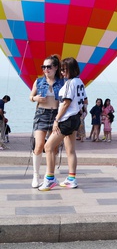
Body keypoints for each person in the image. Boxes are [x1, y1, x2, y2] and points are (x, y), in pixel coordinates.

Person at [39, 57, 87, 191]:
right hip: (75, 118)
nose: (63, 72)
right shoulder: (80, 82)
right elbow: (84, 101)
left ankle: (50, 178)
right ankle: (71, 179)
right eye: (62, 69)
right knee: (70, 150)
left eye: (65, 69)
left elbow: (66, 103)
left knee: (48, 147)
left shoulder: (70, 83)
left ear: (71, 69)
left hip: (66, 119)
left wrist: (56, 120)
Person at [29, 55, 65, 188]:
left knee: (53, 147)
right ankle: (35, 175)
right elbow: (31, 96)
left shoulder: (62, 82)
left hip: (56, 115)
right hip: (42, 114)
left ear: (56, 67)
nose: (46, 69)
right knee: (39, 145)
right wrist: (36, 98)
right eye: (43, 67)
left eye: (48, 67)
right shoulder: (38, 81)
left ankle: (49, 174)